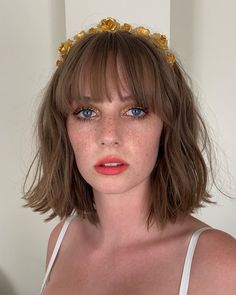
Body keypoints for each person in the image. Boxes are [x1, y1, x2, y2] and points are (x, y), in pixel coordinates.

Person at [23, 17, 236, 295]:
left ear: (168, 125)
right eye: (87, 112)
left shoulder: (219, 264)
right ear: (64, 128)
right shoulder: (61, 239)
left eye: (135, 111)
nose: (109, 135)